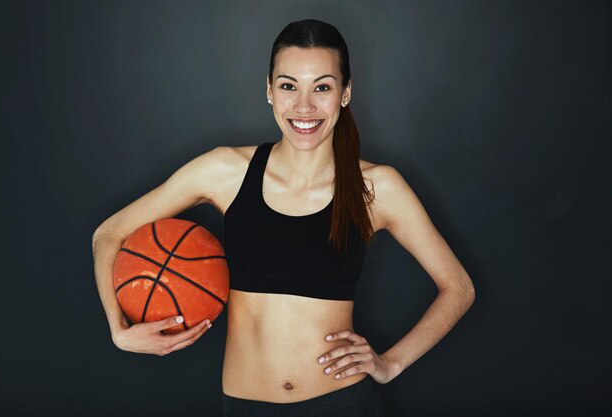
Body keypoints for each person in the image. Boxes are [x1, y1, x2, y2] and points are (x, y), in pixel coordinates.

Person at [92, 19, 475, 417]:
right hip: (244, 407)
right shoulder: (225, 170)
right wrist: (119, 331)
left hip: (341, 405)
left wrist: (390, 363)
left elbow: (458, 287)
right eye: (289, 86)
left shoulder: (378, 187)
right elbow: (109, 233)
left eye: (322, 87)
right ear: (269, 91)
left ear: (345, 94)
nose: (304, 106)